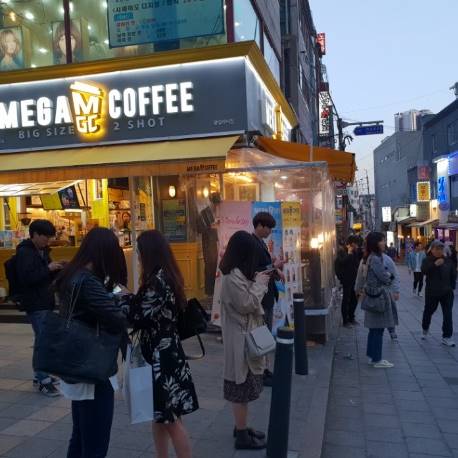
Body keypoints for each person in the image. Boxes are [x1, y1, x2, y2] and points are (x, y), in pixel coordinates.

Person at [54, 227, 128, 458]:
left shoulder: (73, 275)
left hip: (76, 362)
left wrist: (113, 293)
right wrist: (124, 299)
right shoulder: (88, 282)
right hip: (93, 368)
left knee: (80, 435)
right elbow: (118, 318)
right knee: (95, 442)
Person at [126, 230, 198, 458]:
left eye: (139, 251)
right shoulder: (166, 275)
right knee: (160, 415)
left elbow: (137, 315)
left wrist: (122, 298)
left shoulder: (157, 281)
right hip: (167, 352)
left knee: (171, 420)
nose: (138, 256)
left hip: (162, 356)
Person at [220, 231, 270, 450]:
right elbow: (247, 304)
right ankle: (241, 434)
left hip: (245, 336)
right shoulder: (232, 277)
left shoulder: (238, 273)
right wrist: (259, 284)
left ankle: (242, 426)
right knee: (240, 387)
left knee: (246, 385)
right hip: (240, 340)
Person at [15, 219, 63, 396]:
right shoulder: (25, 253)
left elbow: (43, 276)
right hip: (35, 303)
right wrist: (48, 268)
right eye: (45, 237)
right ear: (35, 234)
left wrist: (56, 268)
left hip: (44, 300)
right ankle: (43, 379)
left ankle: (40, 375)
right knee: (43, 341)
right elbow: (27, 278)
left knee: (42, 339)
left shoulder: (41, 250)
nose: (48, 241)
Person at [355, 232, 397, 368]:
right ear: (375, 243)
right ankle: (377, 359)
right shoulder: (376, 259)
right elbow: (385, 278)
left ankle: (372, 356)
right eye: (382, 241)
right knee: (378, 329)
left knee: (374, 329)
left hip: (372, 296)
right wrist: (390, 275)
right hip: (378, 297)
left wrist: (358, 289)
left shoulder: (369, 257)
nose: (384, 243)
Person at [251, 211, 282, 386]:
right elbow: (257, 271)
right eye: (268, 227)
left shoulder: (261, 243)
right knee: (262, 334)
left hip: (267, 295)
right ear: (259, 225)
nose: (270, 231)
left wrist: (275, 269)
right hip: (261, 297)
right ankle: (260, 372)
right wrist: (274, 266)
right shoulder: (253, 244)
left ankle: (264, 369)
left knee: (266, 333)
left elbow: (265, 268)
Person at [421, 240, 456, 347]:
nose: (439, 251)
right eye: (437, 249)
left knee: (448, 314)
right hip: (432, 292)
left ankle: (447, 336)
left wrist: (452, 287)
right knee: (429, 311)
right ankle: (425, 328)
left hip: (447, 292)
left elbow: (453, 274)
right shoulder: (427, 260)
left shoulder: (448, 261)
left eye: (441, 249)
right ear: (432, 250)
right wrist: (434, 265)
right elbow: (424, 271)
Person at [335, 235, 360, 327]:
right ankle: (345, 321)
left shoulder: (355, 252)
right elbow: (342, 262)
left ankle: (351, 317)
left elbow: (356, 264)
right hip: (346, 280)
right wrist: (349, 254)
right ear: (352, 243)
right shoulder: (342, 251)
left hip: (354, 279)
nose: (357, 246)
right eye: (356, 244)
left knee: (355, 299)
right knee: (346, 300)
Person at [383, 250, 401, 340]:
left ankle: (392, 330)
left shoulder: (387, 259)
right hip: (373, 293)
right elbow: (361, 274)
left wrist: (396, 290)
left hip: (387, 291)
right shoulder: (368, 258)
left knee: (390, 312)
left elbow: (395, 275)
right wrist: (358, 287)